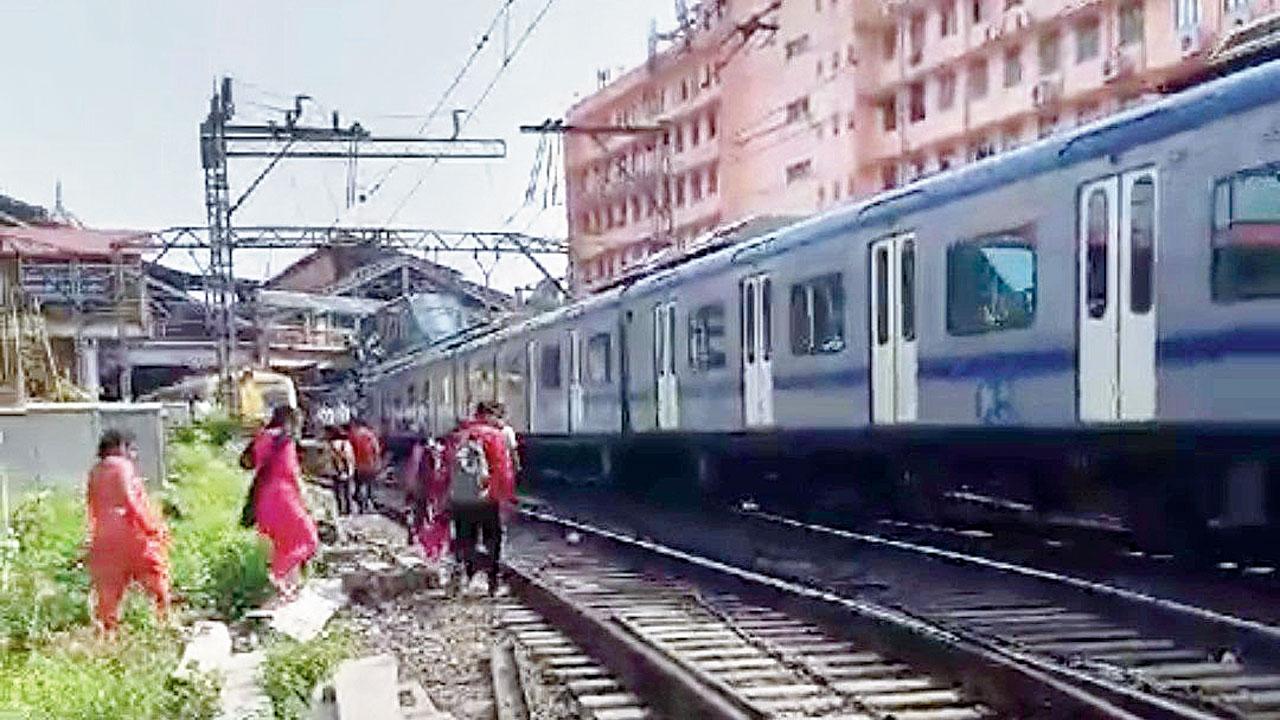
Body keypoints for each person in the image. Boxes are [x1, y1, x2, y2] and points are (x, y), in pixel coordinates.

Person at [85, 429, 170, 633]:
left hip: (103, 538)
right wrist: (152, 529)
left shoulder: (95, 472)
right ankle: (165, 624)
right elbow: (130, 500)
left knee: (108, 595)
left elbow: (91, 507)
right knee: (156, 579)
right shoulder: (122, 467)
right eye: (129, 448)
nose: (132, 454)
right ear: (119, 446)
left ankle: (108, 637)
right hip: (130, 535)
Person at [442, 401, 517, 596]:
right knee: (493, 539)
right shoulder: (496, 436)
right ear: (489, 415)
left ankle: (467, 577)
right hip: (486, 498)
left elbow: (446, 468)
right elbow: (503, 471)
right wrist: (504, 497)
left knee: (465, 538)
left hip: (461, 497)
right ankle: (493, 583)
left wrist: (446, 496)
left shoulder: (459, 436)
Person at [243, 406, 318, 601]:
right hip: (284, 497)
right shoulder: (285, 441)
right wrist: (306, 499)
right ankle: (278, 577)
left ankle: (288, 588)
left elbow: (248, 463)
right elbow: (291, 472)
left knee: (283, 545)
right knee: (308, 538)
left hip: (263, 499)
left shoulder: (263, 438)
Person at [347, 418, 382, 514]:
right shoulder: (371, 435)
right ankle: (368, 505)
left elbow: (349, 450)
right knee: (369, 486)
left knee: (359, 486)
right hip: (370, 465)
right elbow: (376, 450)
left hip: (357, 465)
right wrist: (377, 462)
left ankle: (361, 506)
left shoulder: (353, 435)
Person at [324, 425, 356, 516]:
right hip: (348, 472)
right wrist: (351, 469)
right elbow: (351, 458)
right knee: (347, 493)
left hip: (337, 472)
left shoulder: (331, 445)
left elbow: (328, 460)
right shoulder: (347, 444)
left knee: (338, 493)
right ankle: (349, 511)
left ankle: (339, 510)